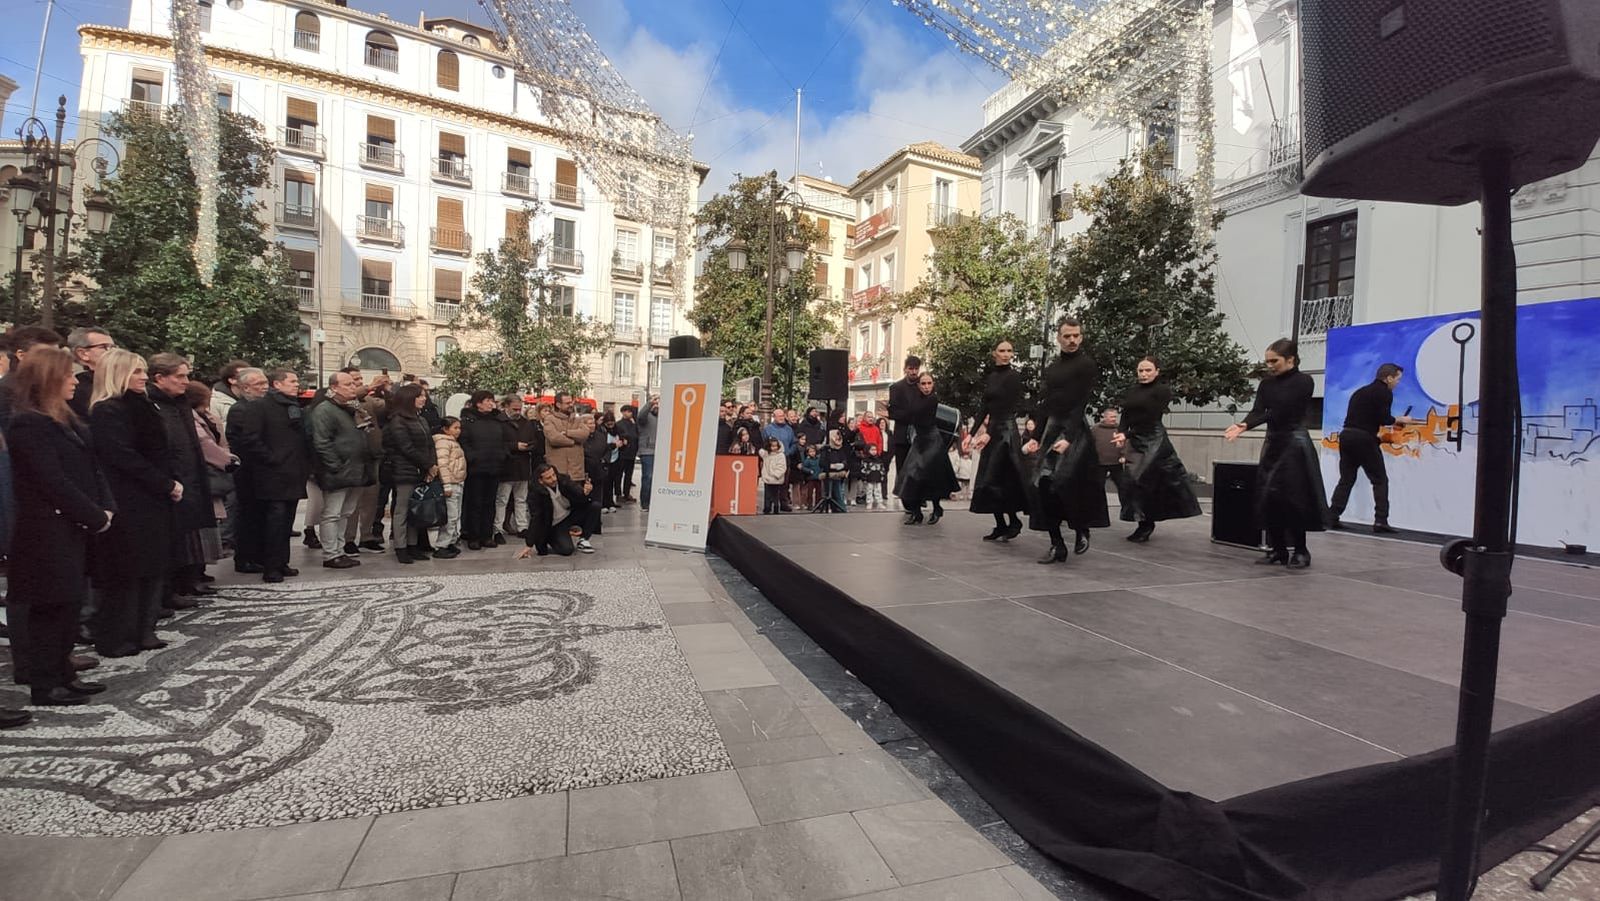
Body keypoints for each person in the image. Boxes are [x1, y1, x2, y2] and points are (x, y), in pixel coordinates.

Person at [6, 349, 113, 706]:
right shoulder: (27, 423)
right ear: (49, 380)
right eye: (68, 375)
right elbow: (52, 480)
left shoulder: (62, 419)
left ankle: (64, 673)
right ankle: (45, 682)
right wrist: (93, 514)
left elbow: (87, 469)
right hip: (44, 530)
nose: (74, 381)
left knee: (68, 603)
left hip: (70, 525)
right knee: (50, 607)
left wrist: (102, 507)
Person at [86, 350, 175, 658]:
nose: (144, 377)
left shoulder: (144, 406)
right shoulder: (107, 410)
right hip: (127, 497)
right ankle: (119, 634)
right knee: (127, 570)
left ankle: (144, 628)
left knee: (152, 565)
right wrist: (164, 483)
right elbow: (121, 455)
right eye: (136, 372)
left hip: (151, 496)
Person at [1225, 339, 1328, 568]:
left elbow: (1282, 410)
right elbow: (1259, 410)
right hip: (1273, 443)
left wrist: (1248, 425)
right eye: (1268, 361)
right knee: (1269, 496)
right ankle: (1278, 550)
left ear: (1290, 359)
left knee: (1295, 497)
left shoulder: (1304, 381)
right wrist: (1243, 424)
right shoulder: (1266, 385)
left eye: (1275, 361)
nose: (1270, 365)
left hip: (1294, 443)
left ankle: (1300, 551)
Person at [1023, 318, 1110, 564]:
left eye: (1076, 336)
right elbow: (1045, 404)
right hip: (1052, 427)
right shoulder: (1052, 369)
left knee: (1069, 482)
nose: (1072, 340)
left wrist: (1069, 438)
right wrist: (1035, 438)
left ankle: (1082, 527)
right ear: (1059, 338)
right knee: (1042, 485)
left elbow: (1080, 403)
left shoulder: (1086, 365)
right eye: (1067, 336)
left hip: (1075, 430)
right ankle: (1057, 544)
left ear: (1081, 337)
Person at [147, 354, 219, 602]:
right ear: (159, 377)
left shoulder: (180, 404)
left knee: (188, 535)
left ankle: (185, 583)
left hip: (191, 477)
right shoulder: (153, 404)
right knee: (172, 538)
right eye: (180, 376)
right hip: (170, 480)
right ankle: (169, 590)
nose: (186, 381)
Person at [227, 368, 310, 583]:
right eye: (292, 381)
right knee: (274, 521)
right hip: (272, 474)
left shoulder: (293, 407)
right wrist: (273, 459)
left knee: (286, 522)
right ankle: (271, 566)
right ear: (278, 384)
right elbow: (250, 439)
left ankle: (282, 562)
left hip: (293, 472)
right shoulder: (258, 406)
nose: (296, 384)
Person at [1112, 357, 1202, 542]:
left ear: (1157, 371)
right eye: (1140, 371)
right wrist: (1121, 433)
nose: (1144, 374)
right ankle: (1143, 522)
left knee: (1142, 478)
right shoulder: (1133, 391)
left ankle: (1147, 523)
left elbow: (1150, 417)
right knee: (1130, 480)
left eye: (1147, 370)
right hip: (1136, 438)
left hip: (1153, 437)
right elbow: (1126, 415)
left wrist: (1127, 435)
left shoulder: (1161, 391)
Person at [1328, 362, 1420, 533]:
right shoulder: (1384, 392)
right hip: (1363, 438)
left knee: (1346, 479)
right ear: (1388, 378)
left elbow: (1361, 419)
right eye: (1397, 379)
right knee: (1379, 480)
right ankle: (1380, 521)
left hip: (1347, 436)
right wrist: (1400, 420)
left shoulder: (1360, 392)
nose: (1397, 383)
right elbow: (1383, 418)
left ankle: (1331, 516)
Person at [306, 371, 372, 569]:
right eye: (348, 384)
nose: (353, 387)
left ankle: (340, 550)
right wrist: (335, 465)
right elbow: (321, 441)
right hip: (339, 470)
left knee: (346, 512)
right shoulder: (325, 410)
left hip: (356, 468)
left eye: (354, 384)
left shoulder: (352, 408)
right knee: (332, 513)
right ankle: (330, 553)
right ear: (334, 387)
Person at [967, 340, 1029, 541]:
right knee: (988, 480)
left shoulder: (1013, 377)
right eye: (1002, 350)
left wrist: (989, 432)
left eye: (1009, 351)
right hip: (993, 431)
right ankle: (1001, 524)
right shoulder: (992, 377)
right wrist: (971, 432)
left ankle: (1013, 520)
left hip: (1006, 433)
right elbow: (985, 407)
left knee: (1004, 480)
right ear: (995, 353)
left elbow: (1005, 408)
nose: (1006, 354)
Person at [381, 383, 438, 563]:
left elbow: (429, 444)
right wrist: (428, 464)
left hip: (421, 469)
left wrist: (432, 464)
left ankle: (413, 545)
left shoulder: (420, 419)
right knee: (402, 509)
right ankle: (401, 546)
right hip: (403, 470)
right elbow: (405, 447)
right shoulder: (398, 420)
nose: (424, 399)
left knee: (415, 510)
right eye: (420, 396)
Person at [894, 373, 960, 524]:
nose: (926, 387)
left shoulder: (932, 399)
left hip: (932, 441)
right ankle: (917, 513)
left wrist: (894, 413)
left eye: (929, 383)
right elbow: (910, 413)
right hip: (920, 441)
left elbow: (914, 414)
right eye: (923, 384)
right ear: (919, 385)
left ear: (933, 384)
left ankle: (937, 508)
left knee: (931, 477)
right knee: (911, 476)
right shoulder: (916, 399)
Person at [517, 462, 600, 557]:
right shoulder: (535, 494)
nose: (553, 479)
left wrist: (585, 492)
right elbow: (536, 518)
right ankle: (552, 538)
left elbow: (577, 492)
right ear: (540, 480)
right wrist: (529, 544)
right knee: (567, 550)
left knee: (595, 506)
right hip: (553, 524)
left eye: (554, 475)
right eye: (548, 478)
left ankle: (583, 539)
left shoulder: (563, 480)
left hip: (568, 515)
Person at [459, 390, 509, 549]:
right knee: (475, 503)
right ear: (478, 403)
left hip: (494, 467)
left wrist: (502, 455)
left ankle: (487, 535)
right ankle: (473, 536)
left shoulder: (497, 420)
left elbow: (504, 441)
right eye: (487, 400)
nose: (491, 403)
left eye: (492, 400)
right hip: (476, 469)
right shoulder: (468, 420)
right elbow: (464, 442)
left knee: (490, 503)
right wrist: (472, 457)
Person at [0, 326, 65, 430]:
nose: (56, 361)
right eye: (49, 355)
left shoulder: (48, 386)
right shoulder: (6, 392)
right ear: (22, 355)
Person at [495, 394, 539, 541]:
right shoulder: (499, 422)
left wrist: (529, 446)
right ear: (506, 407)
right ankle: (497, 529)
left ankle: (522, 526)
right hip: (506, 466)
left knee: (521, 499)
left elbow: (534, 440)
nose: (517, 412)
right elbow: (497, 443)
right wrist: (514, 446)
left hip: (523, 465)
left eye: (519, 409)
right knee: (502, 500)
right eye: (514, 409)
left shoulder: (526, 423)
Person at [886, 355, 923, 490]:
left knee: (919, 469)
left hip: (920, 436)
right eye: (911, 369)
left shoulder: (923, 384)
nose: (914, 372)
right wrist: (912, 413)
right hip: (902, 436)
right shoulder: (896, 387)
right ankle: (906, 498)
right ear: (905, 369)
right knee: (903, 469)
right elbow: (893, 413)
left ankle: (918, 497)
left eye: (916, 369)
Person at [430, 416, 466, 558]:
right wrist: (446, 484)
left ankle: (450, 541)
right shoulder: (443, 443)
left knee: (455, 514)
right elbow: (443, 464)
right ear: (445, 429)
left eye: (459, 428)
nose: (458, 431)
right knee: (450, 516)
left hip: (457, 481)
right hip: (450, 482)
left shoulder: (453, 442)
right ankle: (441, 545)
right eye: (455, 428)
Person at [66, 326, 116, 418]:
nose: (113, 352)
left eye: (113, 347)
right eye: (104, 347)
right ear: (82, 353)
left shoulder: (118, 380)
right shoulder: (77, 388)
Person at [541, 391, 591, 481]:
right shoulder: (549, 419)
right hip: (558, 472)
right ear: (558, 405)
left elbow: (585, 434)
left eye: (571, 402)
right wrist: (574, 441)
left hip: (576, 472)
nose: (571, 405)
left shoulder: (577, 419)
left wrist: (568, 433)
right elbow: (554, 438)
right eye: (567, 403)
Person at [819, 430, 856, 513]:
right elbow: (821, 462)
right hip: (828, 473)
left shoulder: (841, 449)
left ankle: (839, 506)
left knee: (838, 491)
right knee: (828, 491)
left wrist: (842, 465)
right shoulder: (826, 450)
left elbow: (845, 461)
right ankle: (827, 506)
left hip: (838, 474)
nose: (838, 438)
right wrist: (831, 466)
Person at [612, 404, 640, 503]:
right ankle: (618, 494)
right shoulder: (619, 424)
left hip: (631, 453)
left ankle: (627, 493)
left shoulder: (634, 424)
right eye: (628, 411)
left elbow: (637, 435)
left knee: (629, 475)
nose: (629, 414)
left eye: (630, 412)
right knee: (619, 474)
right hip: (622, 453)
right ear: (623, 412)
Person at [636, 394, 659, 512]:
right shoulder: (644, 418)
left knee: (656, 479)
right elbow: (640, 415)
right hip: (647, 451)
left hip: (659, 452)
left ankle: (654, 501)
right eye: (655, 403)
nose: (657, 405)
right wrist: (650, 402)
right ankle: (645, 503)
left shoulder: (661, 417)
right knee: (648, 477)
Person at [758, 437, 788, 514]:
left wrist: (776, 474)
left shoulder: (781, 455)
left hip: (776, 478)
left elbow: (782, 467)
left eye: (775, 446)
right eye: (772, 446)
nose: (774, 448)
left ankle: (776, 507)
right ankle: (767, 507)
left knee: (775, 495)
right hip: (767, 478)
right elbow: (760, 451)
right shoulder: (767, 454)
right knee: (767, 494)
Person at [859, 444, 889, 510]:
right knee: (869, 490)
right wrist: (864, 477)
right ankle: (869, 502)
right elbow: (863, 469)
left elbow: (882, 468)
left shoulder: (879, 459)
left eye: (875, 450)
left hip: (877, 477)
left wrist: (882, 475)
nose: (874, 451)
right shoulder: (865, 460)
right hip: (869, 478)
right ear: (868, 450)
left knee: (878, 490)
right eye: (872, 450)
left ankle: (879, 502)